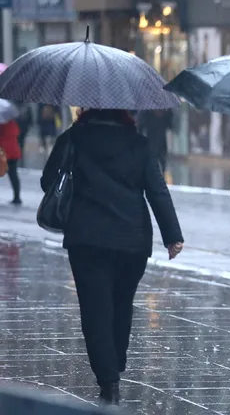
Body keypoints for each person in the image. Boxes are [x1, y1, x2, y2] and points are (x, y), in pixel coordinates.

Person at [41, 109, 184, 406]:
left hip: (86, 239)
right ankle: (116, 361)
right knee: (121, 303)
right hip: (132, 240)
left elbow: (47, 182)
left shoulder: (73, 138)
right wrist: (172, 236)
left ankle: (109, 382)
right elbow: (157, 191)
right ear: (125, 114)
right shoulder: (139, 144)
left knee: (95, 310)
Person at [0, 119, 22, 204]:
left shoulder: (2, 123)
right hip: (13, 151)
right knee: (13, 175)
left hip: (3, 152)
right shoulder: (13, 122)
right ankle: (17, 197)